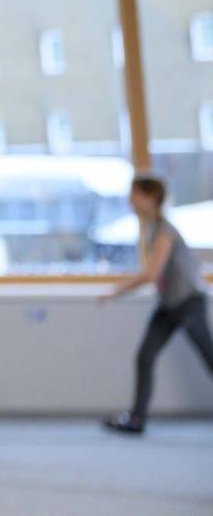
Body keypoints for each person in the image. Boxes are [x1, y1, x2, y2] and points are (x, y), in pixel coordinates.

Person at [100, 173, 213, 435]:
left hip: (188, 302)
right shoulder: (152, 227)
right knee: (145, 356)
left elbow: (151, 273)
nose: (130, 200)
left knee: (210, 358)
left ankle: (137, 417)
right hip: (169, 303)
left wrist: (116, 291)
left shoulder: (164, 230)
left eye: (134, 194)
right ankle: (136, 419)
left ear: (149, 197)